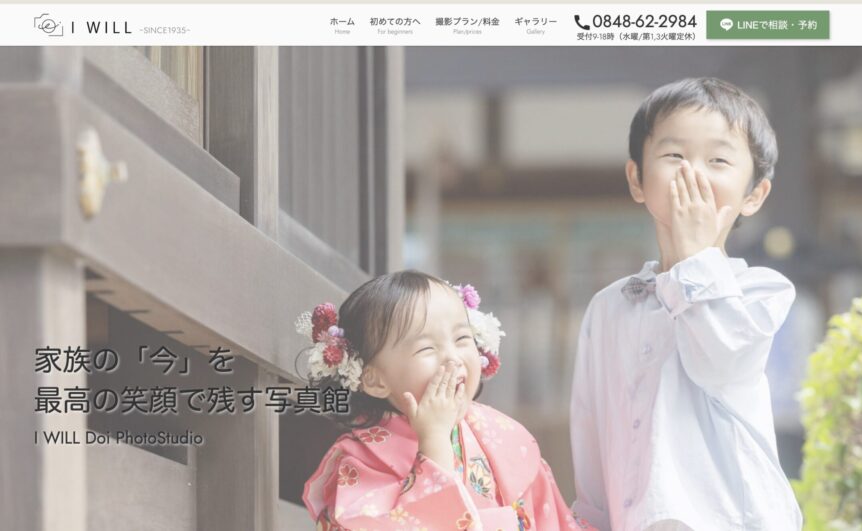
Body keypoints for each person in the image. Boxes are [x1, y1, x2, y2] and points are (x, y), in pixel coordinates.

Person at [569, 78, 802, 530]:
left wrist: (696, 257)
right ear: (637, 179)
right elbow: (591, 428)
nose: (692, 173)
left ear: (754, 195)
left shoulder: (760, 290)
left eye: (717, 160)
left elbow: (720, 363)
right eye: (674, 156)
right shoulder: (608, 307)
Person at [301, 270, 595, 530]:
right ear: (375, 379)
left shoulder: (504, 437)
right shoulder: (361, 460)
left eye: (462, 339)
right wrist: (434, 442)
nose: (453, 357)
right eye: (427, 348)